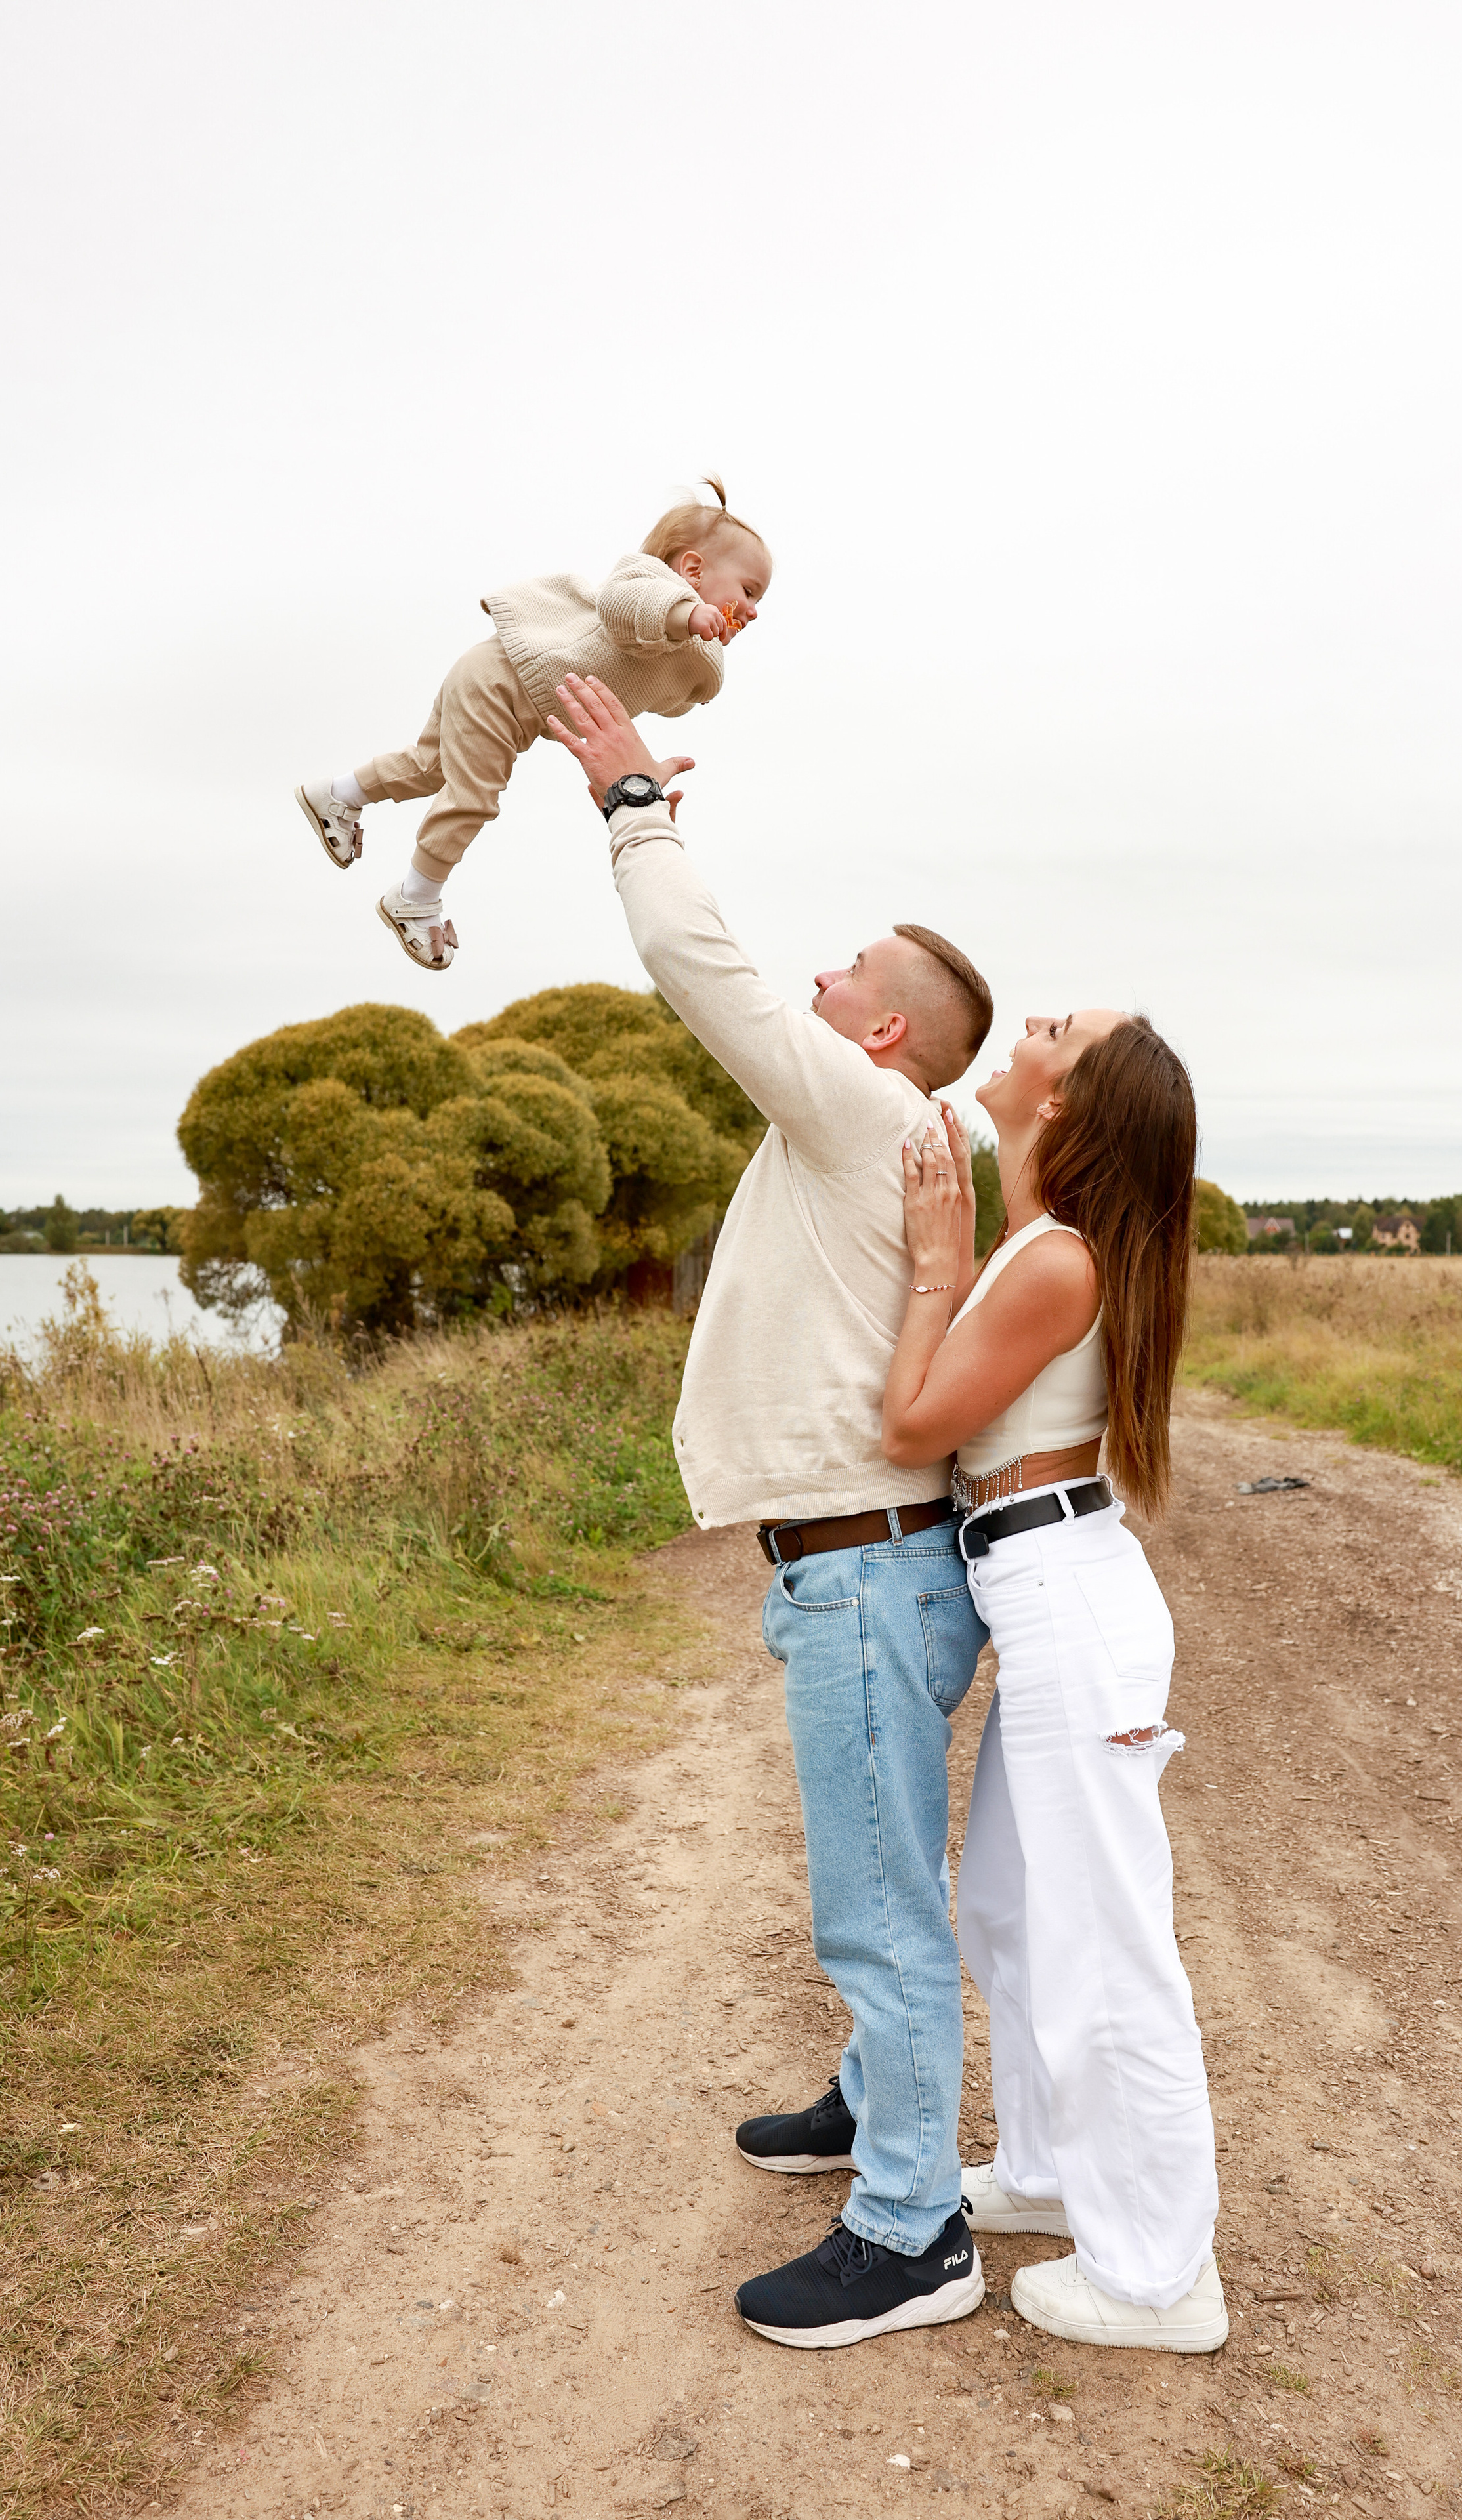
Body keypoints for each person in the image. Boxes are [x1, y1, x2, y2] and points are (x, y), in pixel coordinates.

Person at [543, 671, 994, 2349]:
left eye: (844, 977)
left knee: (876, 1903)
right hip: (868, 1567)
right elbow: (743, 981)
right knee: (879, 1878)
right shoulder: (869, 1118)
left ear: (878, 1031)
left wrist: (628, 804)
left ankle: (911, 2226)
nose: (813, 980)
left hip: (865, 1575)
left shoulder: (857, 1102)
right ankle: (870, 2106)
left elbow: (698, 966)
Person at [879, 1012, 1229, 2353]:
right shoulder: (1054, 1247)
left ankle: (1155, 2278)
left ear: (1068, 1109)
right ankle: (1037, 2171)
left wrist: (933, 1268)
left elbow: (914, 1424)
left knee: (1105, 1947)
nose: (1025, 1024)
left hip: (1065, 1599)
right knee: (1011, 1910)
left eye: (1054, 1030)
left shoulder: (1052, 1262)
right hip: (1044, 1592)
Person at [295, 478, 771, 973]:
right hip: (502, 681)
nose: (755, 610)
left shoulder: (683, 642)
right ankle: (415, 897)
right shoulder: (650, 584)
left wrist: (700, 661)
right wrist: (689, 614)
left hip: (506, 692)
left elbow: (661, 689)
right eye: (749, 591)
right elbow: (623, 605)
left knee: (430, 767)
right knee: (474, 796)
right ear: (692, 569)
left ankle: (337, 794)